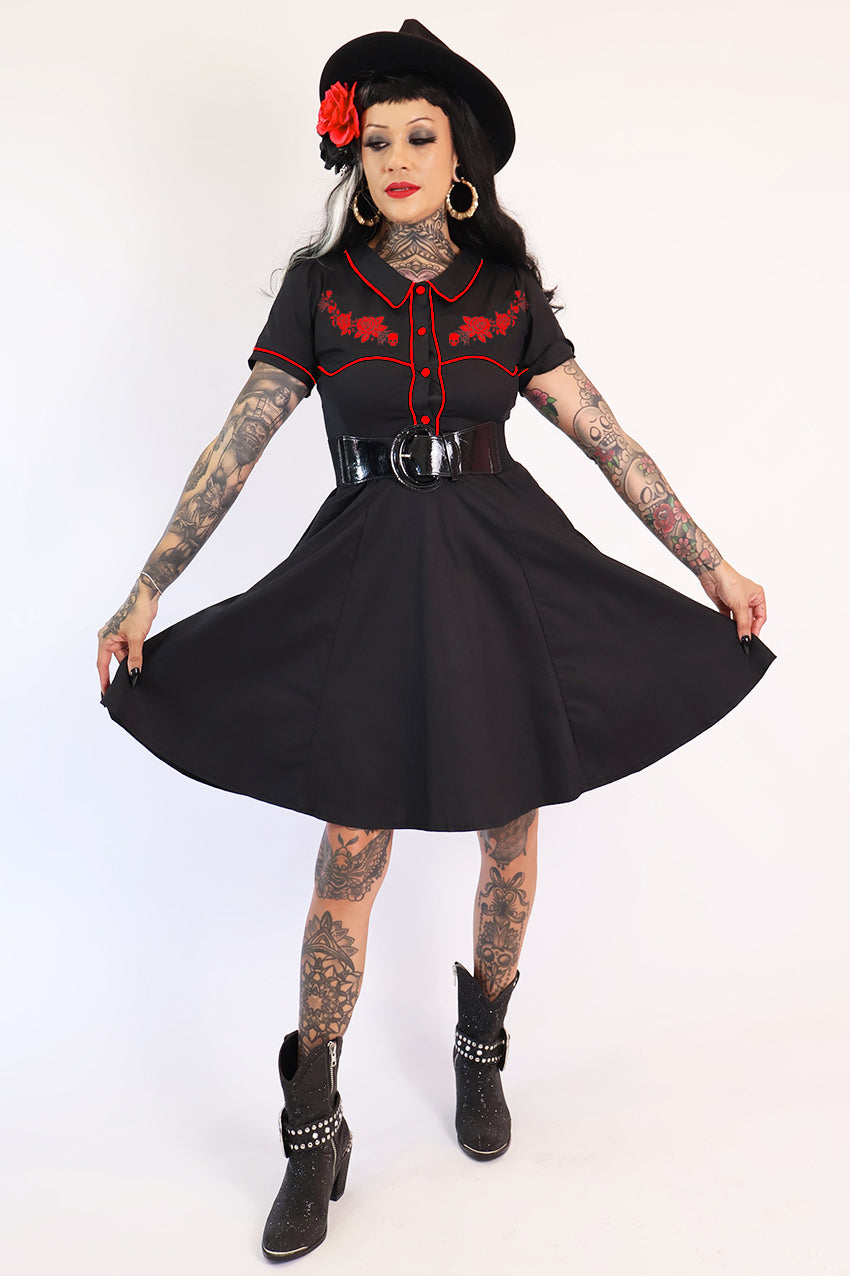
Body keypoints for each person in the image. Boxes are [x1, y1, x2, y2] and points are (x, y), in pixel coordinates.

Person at [96, 19, 776, 1264]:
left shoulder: (505, 295)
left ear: (460, 159)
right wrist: (148, 587)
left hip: (499, 575)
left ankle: (481, 1051)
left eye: (421, 137)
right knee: (350, 847)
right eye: (377, 140)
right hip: (366, 583)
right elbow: (235, 444)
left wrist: (710, 563)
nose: (398, 157)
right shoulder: (321, 290)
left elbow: (608, 439)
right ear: (351, 160)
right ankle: (313, 1131)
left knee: (507, 825)